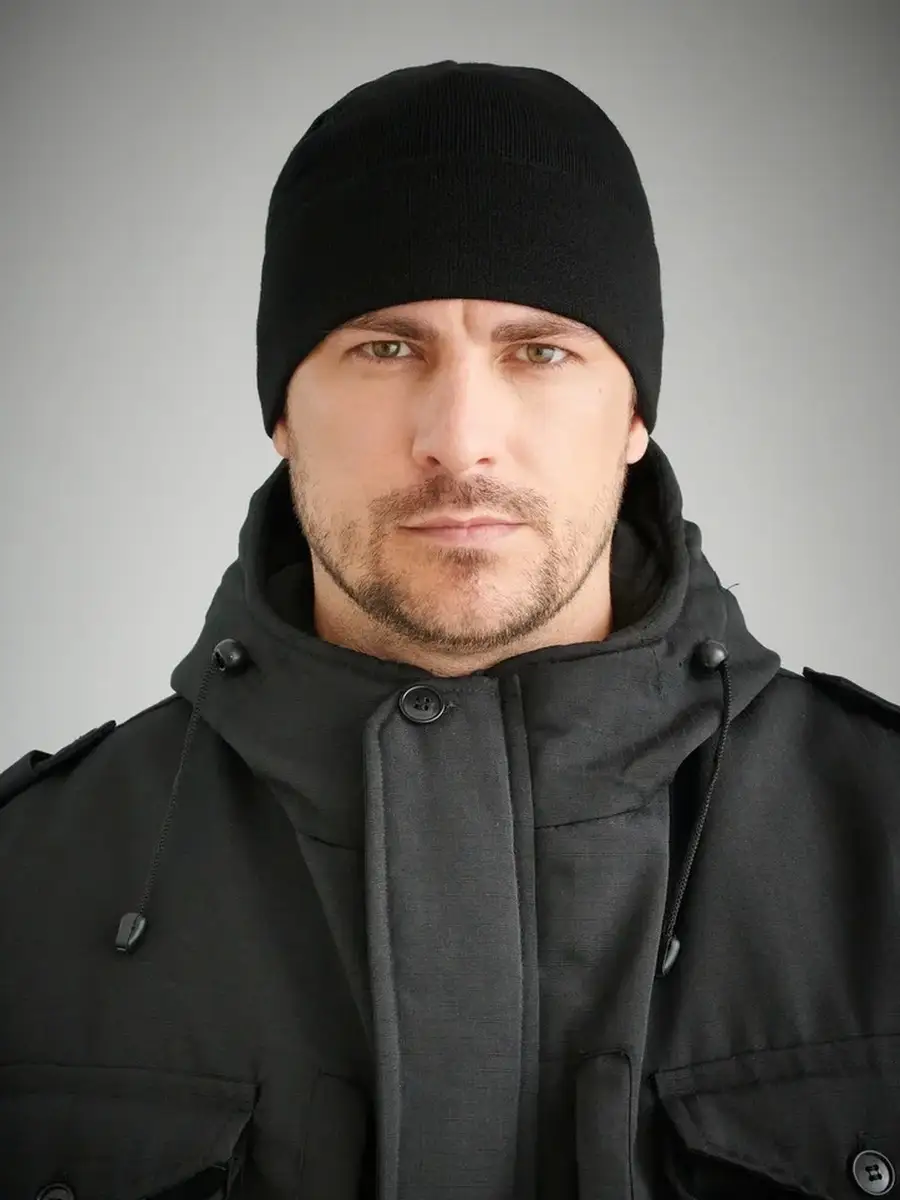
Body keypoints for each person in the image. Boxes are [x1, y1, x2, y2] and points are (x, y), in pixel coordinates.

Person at [1, 58, 898, 1200]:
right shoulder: (28, 885)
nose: (460, 436)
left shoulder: (884, 837)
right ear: (282, 412)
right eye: (386, 347)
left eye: (540, 350)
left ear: (634, 414)